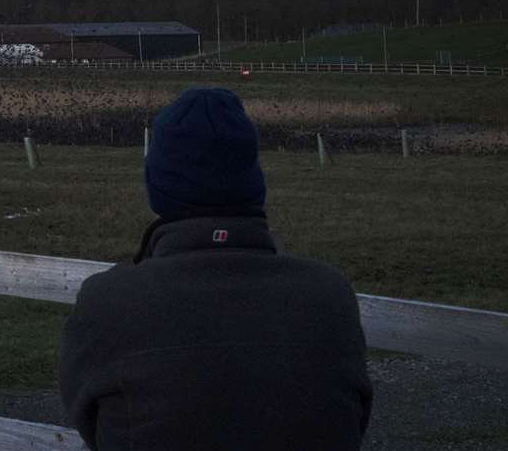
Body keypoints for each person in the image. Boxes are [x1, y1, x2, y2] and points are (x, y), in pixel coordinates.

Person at [58, 87, 373, 450]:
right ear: (252, 180)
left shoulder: (108, 301)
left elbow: (87, 421)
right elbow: (354, 414)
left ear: (158, 184)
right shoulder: (329, 294)